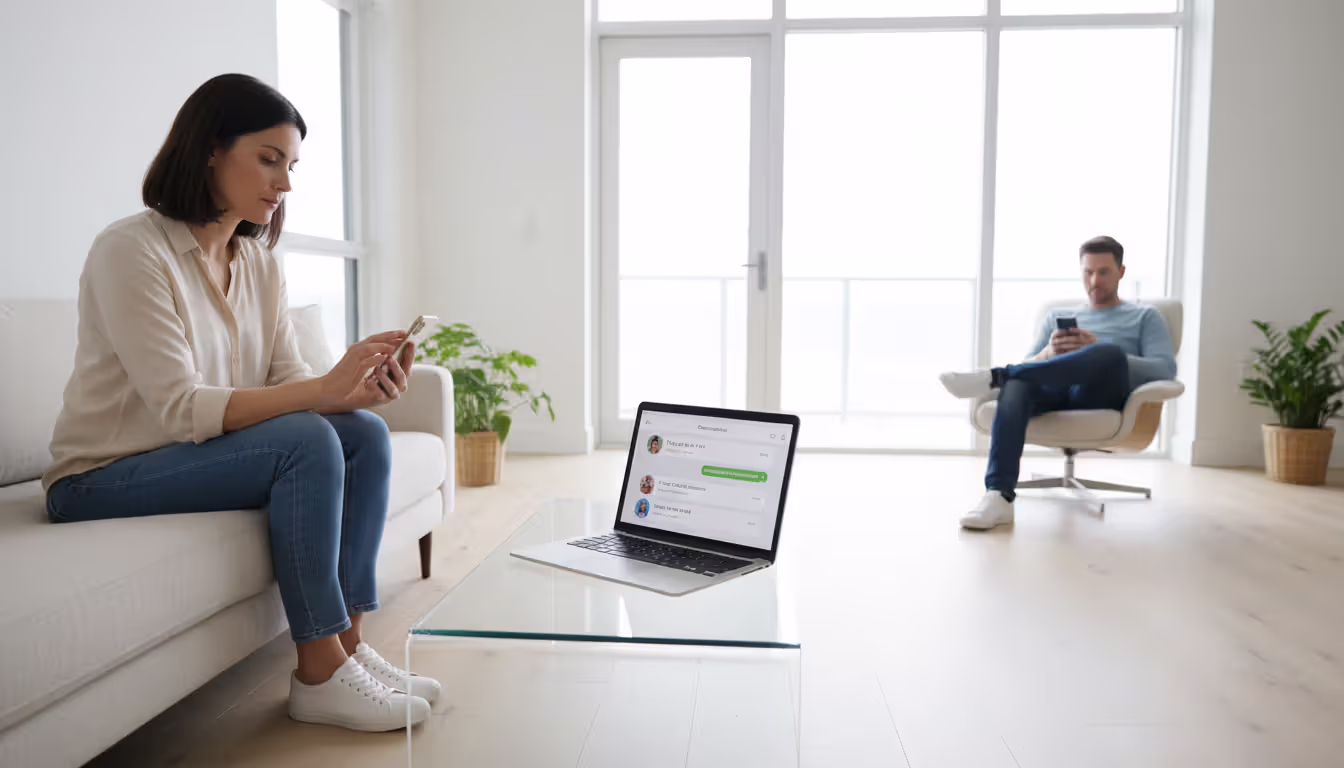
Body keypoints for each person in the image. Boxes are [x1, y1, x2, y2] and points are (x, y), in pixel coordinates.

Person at [42, 75, 439, 732]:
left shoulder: (257, 262)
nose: (284, 184)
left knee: (361, 432)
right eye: (268, 158)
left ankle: (347, 650)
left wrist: (356, 388)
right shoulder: (131, 251)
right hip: (101, 476)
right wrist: (321, 393)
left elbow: (293, 379)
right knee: (308, 440)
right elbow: (179, 408)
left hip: (191, 458)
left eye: (291, 165)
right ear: (209, 150)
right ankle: (317, 675)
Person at [939, 236, 1175, 531]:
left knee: (1109, 353)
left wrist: (1098, 348)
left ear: (1121, 272)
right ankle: (998, 495)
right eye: (1088, 272)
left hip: (1100, 394)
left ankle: (996, 376)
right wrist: (1049, 352)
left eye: (1103, 272)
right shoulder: (1056, 317)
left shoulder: (1145, 317)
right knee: (1018, 383)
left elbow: (1165, 369)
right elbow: (1030, 363)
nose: (1094, 280)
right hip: (1054, 390)